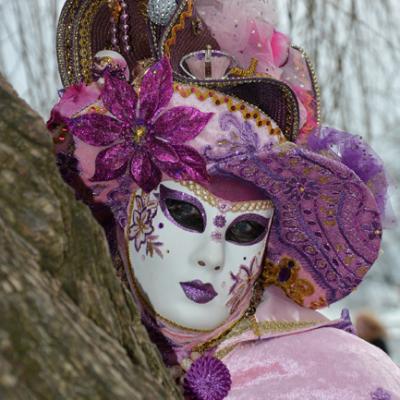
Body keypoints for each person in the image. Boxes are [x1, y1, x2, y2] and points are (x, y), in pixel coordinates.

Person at [48, 0, 400, 398]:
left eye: (246, 229)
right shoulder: (61, 335)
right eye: (184, 212)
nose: (211, 257)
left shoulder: (334, 377)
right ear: (122, 208)